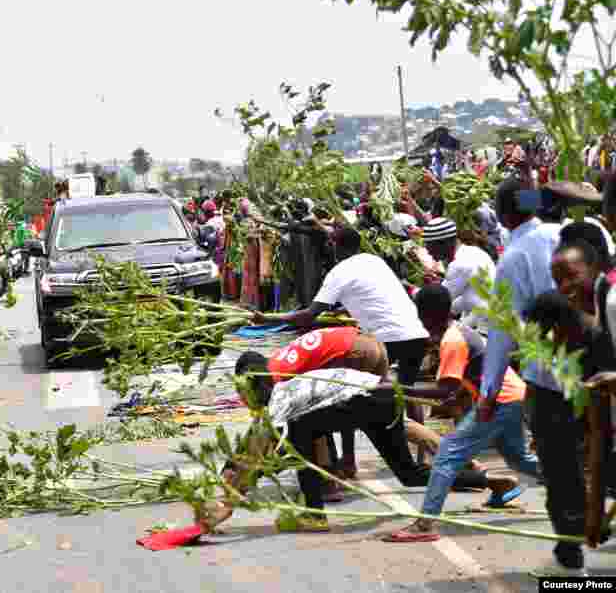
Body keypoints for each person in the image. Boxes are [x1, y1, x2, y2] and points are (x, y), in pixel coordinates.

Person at [198, 349, 489, 534]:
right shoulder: (289, 388)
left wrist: (229, 499)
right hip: (385, 398)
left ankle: (315, 515)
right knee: (410, 475)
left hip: (369, 400)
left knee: (299, 434)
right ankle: (485, 480)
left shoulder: (281, 400)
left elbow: (255, 450)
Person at [255, 226, 429, 477]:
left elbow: (308, 315)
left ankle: (348, 462)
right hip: (415, 332)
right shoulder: (373, 260)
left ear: (337, 246)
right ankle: (421, 456)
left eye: (332, 243)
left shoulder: (338, 272)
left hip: (383, 339)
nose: (330, 247)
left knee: (348, 396)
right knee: (408, 394)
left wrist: (267, 319)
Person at [383, 284, 538, 543]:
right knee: (519, 460)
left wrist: (397, 388)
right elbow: (457, 387)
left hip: (501, 401)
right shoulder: (458, 331)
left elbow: (445, 391)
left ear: (426, 314)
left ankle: (425, 525)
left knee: (446, 456)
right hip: (510, 396)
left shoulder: (452, 340)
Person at [478, 179, 573, 573]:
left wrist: (488, 391)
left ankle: (571, 563)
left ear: (503, 213)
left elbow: (500, 333)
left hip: (551, 375)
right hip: (603, 362)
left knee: (559, 467)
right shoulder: (569, 233)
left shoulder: (513, 257)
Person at [421, 217, 496, 329]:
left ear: (443, 243)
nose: (428, 251)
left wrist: (417, 292)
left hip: (486, 324)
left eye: (429, 246)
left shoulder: (460, 264)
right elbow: (467, 297)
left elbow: (439, 301)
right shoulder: (472, 251)